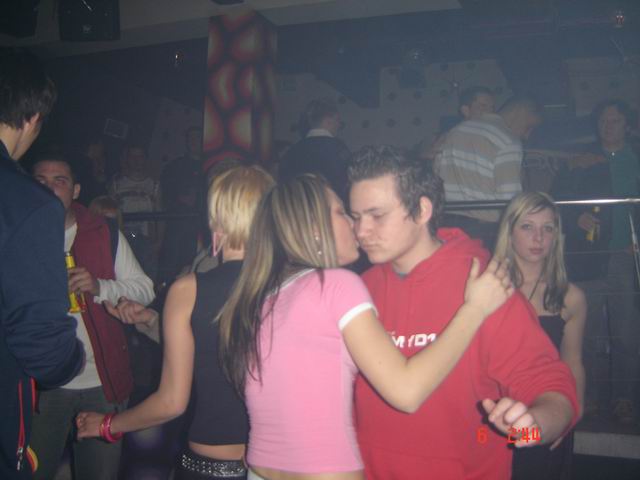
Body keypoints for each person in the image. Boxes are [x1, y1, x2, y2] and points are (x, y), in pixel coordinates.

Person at [217, 174, 514, 480]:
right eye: (343, 214)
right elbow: (406, 392)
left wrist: (528, 431)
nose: (356, 227)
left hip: (259, 472)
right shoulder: (337, 285)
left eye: (371, 215)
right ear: (316, 229)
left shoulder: (262, 297)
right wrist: (475, 309)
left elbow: (536, 420)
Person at [349, 145, 578, 480]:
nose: (361, 231)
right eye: (356, 217)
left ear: (422, 210)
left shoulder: (486, 284)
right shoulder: (358, 288)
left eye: (377, 215)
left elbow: (554, 390)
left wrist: (530, 429)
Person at [76, 165, 276, 480]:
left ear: (216, 220)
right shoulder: (294, 285)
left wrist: (106, 424)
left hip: (213, 465)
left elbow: (171, 402)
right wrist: (150, 319)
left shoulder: (190, 289)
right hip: (278, 466)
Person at [29, 155, 155, 480]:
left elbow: (144, 290)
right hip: (43, 384)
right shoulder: (18, 235)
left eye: (59, 181)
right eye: (41, 181)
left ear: (76, 190)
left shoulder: (102, 232)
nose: (49, 188)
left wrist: (100, 286)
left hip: (102, 382)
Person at [0, 49, 85, 480]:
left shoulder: (99, 230)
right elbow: (43, 346)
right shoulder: (27, 204)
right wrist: (73, 359)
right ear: (33, 117)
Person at [552, 99, 640, 423]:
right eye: (603, 120)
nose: (608, 126)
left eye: (615, 121)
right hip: (589, 256)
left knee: (626, 333)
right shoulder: (582, 160)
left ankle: (623, 398)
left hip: (625, 257)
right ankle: (587, 397)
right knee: (586, 334)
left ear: (627, 125)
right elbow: (556, 199)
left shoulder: (636, 158)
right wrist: (574, 217)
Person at [494, 192, 586, 480]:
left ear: (556, 236)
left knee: (537, 467)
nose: (538, 238)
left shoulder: (570, 297)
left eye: (547, 228)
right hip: (496, 414)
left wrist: (572, 415)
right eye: (527, 227)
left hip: (546, 414)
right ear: (509, 232)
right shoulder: (489, 288)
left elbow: (573, 362)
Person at [435, 96, 541, 248]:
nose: (527, 135)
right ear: (521, 112)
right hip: (484, 230)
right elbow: (510, 198)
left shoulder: (455, 131)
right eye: (529, 127)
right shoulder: (508, 140)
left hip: (446, 223)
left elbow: (436, 177)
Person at [278, 98, 352, 205]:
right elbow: (348, 183)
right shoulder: (339, 149)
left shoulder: (292, 152)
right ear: (329, 121)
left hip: (300, 209)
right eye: (337, 121)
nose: (338, 125)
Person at [158, 126, 206, 285]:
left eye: (197, 137)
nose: (194, 141)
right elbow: (165, 196)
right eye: (191, 138)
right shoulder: (175, 166)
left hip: (202, 226)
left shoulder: (209, 165)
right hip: (178, 226)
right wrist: (180, 200)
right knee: (173, 267)